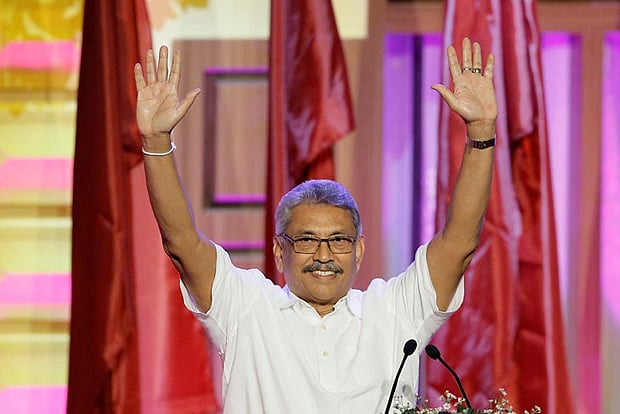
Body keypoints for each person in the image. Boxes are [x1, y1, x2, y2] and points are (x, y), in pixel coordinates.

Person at [134, 37, 496, 413]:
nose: (324, 255)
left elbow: (458, 244)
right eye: (306, 240)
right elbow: (182, 244)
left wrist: (481, 133)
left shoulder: (392, 311)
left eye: (338, 240)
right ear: (279, 250)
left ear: (358, 249)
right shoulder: (248, 308)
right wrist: (156, 143)